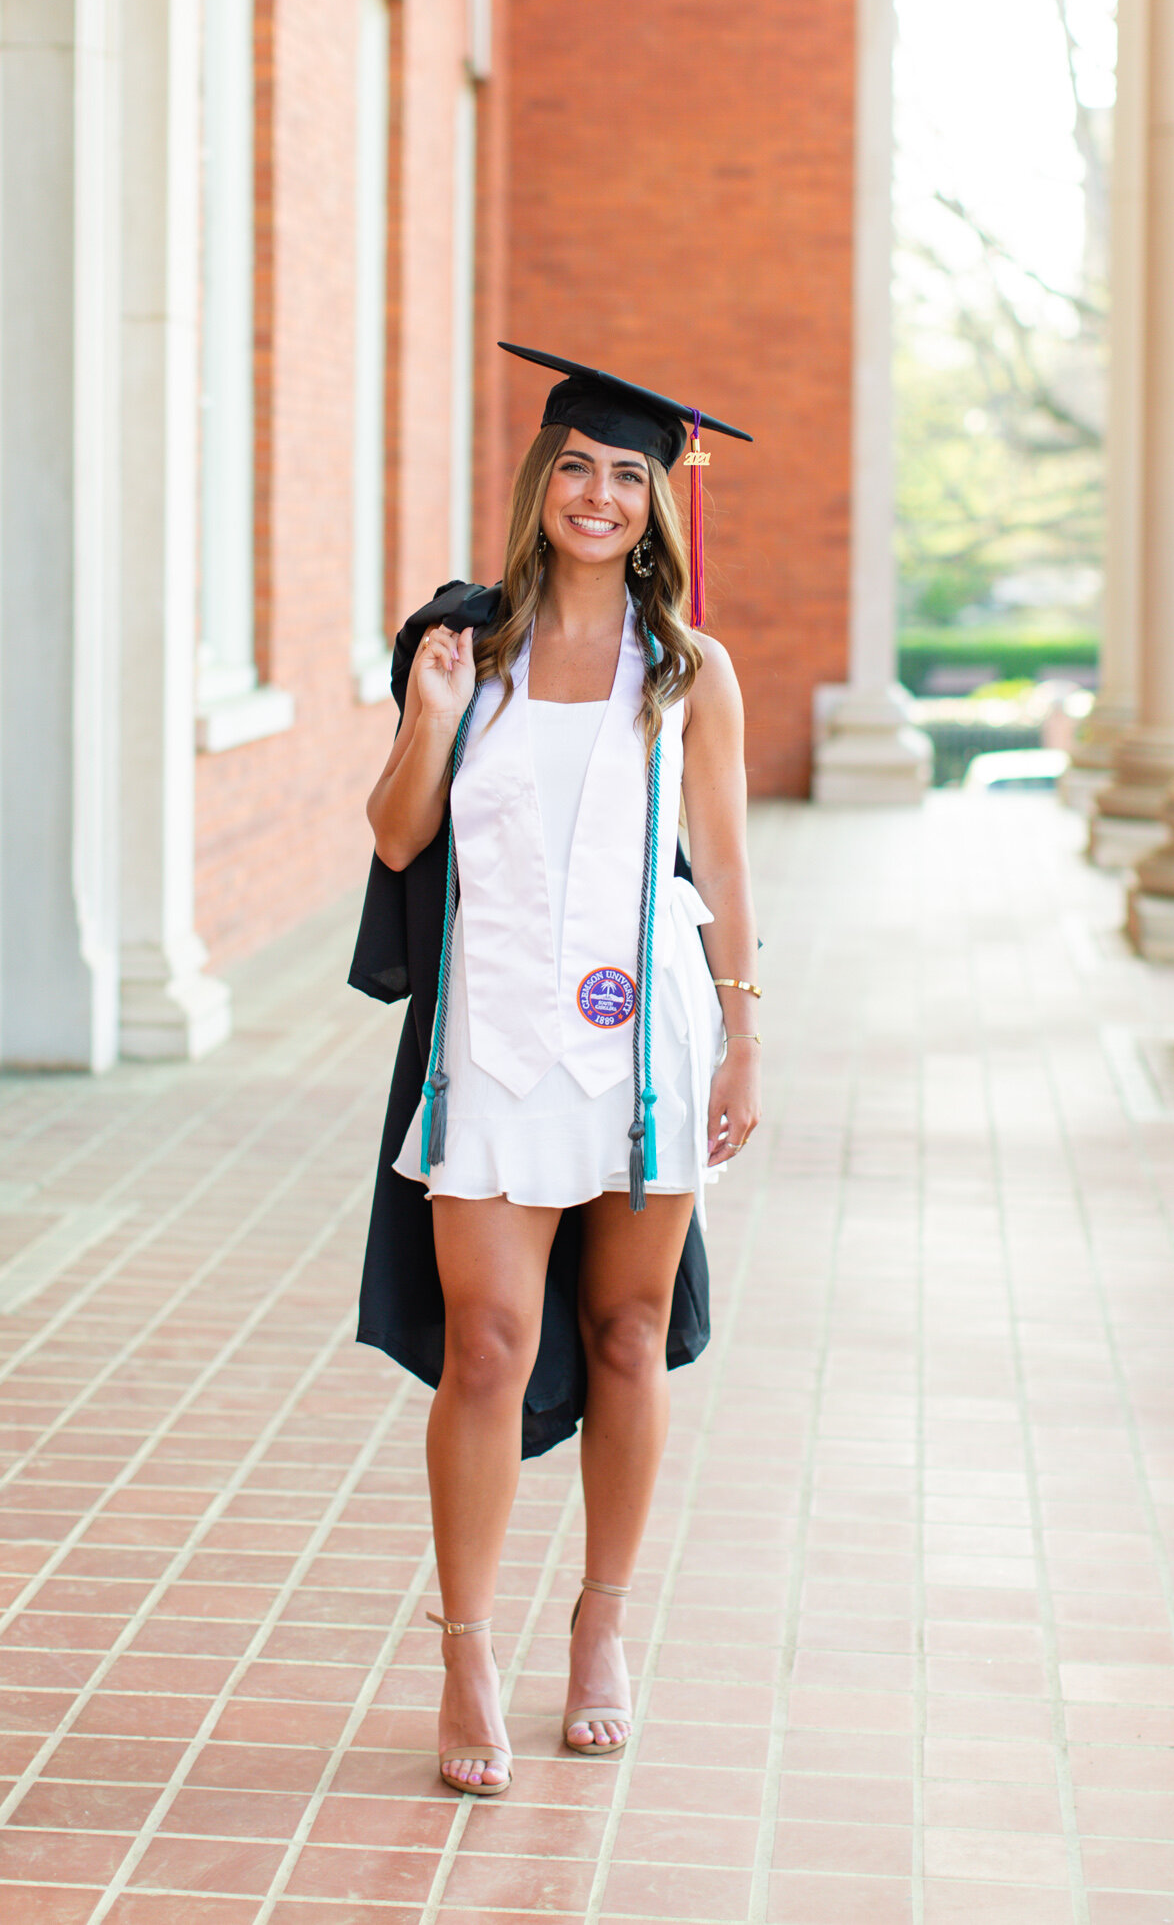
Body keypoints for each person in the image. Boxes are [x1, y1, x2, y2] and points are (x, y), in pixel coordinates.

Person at [351, 345, 762, 1798]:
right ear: (542, 481)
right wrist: (429, 719)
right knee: (489, 1349)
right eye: (579, 466)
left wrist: (746, 1029)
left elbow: (722, 856)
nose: (601, 495)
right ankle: (466, 1649)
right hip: (500, 1039)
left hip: (651, 1036)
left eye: (630, 475)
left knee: (633, 1331)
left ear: (657, 503)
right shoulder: (467, 642)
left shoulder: (689, 670)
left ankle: (599, 1631)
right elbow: (400, 838)